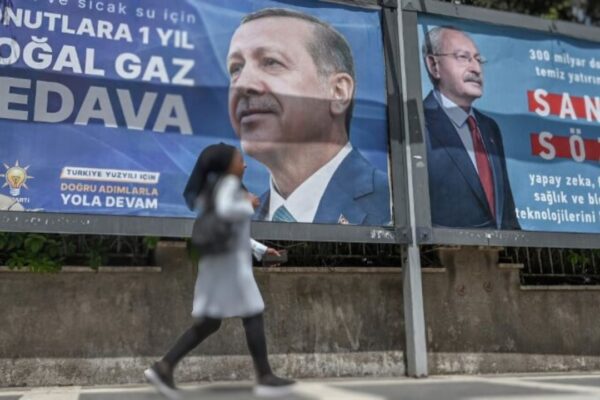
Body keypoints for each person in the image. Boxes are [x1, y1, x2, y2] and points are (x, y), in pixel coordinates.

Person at [144, 143, 295, 399]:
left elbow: (232, 231)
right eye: (240, 160)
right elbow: (227, 212)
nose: (245, 164)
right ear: (227, 165)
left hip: (219, 266)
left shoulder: (216, 187)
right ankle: (266, 376)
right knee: (252, 314)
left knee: (209, 323)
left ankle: (164, 367)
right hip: (229, 268)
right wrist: (249, 203)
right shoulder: (228, 186)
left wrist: (260, 250)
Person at [227, 8, 391, 225]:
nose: (243, 84)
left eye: (271, 62)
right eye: (236, 68)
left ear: (338, 92)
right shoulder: (239, 226)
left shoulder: (392, 205)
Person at [422, 26, 520, 230]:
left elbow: (506, 213)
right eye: (463, 57)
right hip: (440, 256)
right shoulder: (418, 122)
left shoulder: (489, 128)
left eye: (478, 59)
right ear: (434, 65)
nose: (476, 68)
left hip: (498, 257)